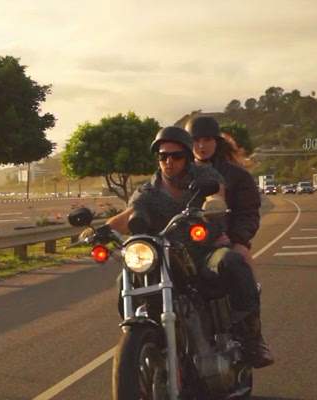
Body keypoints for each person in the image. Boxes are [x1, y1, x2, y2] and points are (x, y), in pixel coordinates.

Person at [107, 126, 274, 368]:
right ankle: (141, 338)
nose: (169, 161)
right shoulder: (149, 190)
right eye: (163, 156)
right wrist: (99, 231)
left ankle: (252, 338)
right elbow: (129, 214)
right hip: (165, 257)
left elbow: (216, 194)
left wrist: (213, 203)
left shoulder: (205, 176)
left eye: (176, 156)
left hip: (205, 252)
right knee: (125, 279)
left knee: (233, 262)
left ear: (186, 156)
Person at [185, 115, 273, 368]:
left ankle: (253, 338)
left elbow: (248, 212)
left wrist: (238, 240)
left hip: (225, 239)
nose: (201, 146)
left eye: (206, 140)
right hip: (186, 244)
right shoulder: (180, 172)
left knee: (238, 260)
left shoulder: (236, 175)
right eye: (196, 140)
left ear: (217, 141)